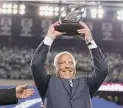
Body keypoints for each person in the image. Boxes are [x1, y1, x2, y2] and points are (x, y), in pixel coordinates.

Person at [31, 21, 108, 108]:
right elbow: (36, 64)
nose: (67, 66)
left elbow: (103, 69)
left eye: (70, 63)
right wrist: (49, 38)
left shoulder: (87, 83)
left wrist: (89, 41)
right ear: (56, 68)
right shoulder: (47, 83)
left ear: (75, 68)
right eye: (62, 62)